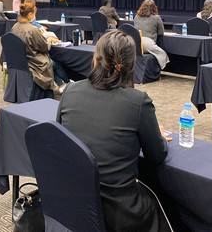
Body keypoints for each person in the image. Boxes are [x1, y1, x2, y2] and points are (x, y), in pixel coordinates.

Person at [57, 30, 170, 231]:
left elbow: (62, 141)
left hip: (72, 203)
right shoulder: (138, 101)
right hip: (120, 211)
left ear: (94, 59)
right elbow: (157, 155)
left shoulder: (70, 91)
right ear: (131, 64)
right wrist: (157, 133)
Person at [11, 1, 70, 93]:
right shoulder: (33, 30)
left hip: (21, 61)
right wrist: (50, 39)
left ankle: (61, 83)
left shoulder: (15, 27)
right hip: (34, 62)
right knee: (55, 64)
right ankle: (68, 83)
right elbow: (44, 47)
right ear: (30, 15)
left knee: (51, 63)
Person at [133, 0, 169, 69]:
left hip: (135, 44)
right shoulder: (157, 18)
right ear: (154, 7)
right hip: (148, 45)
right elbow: (161, 33)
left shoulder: (136, 16)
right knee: (163, 55)